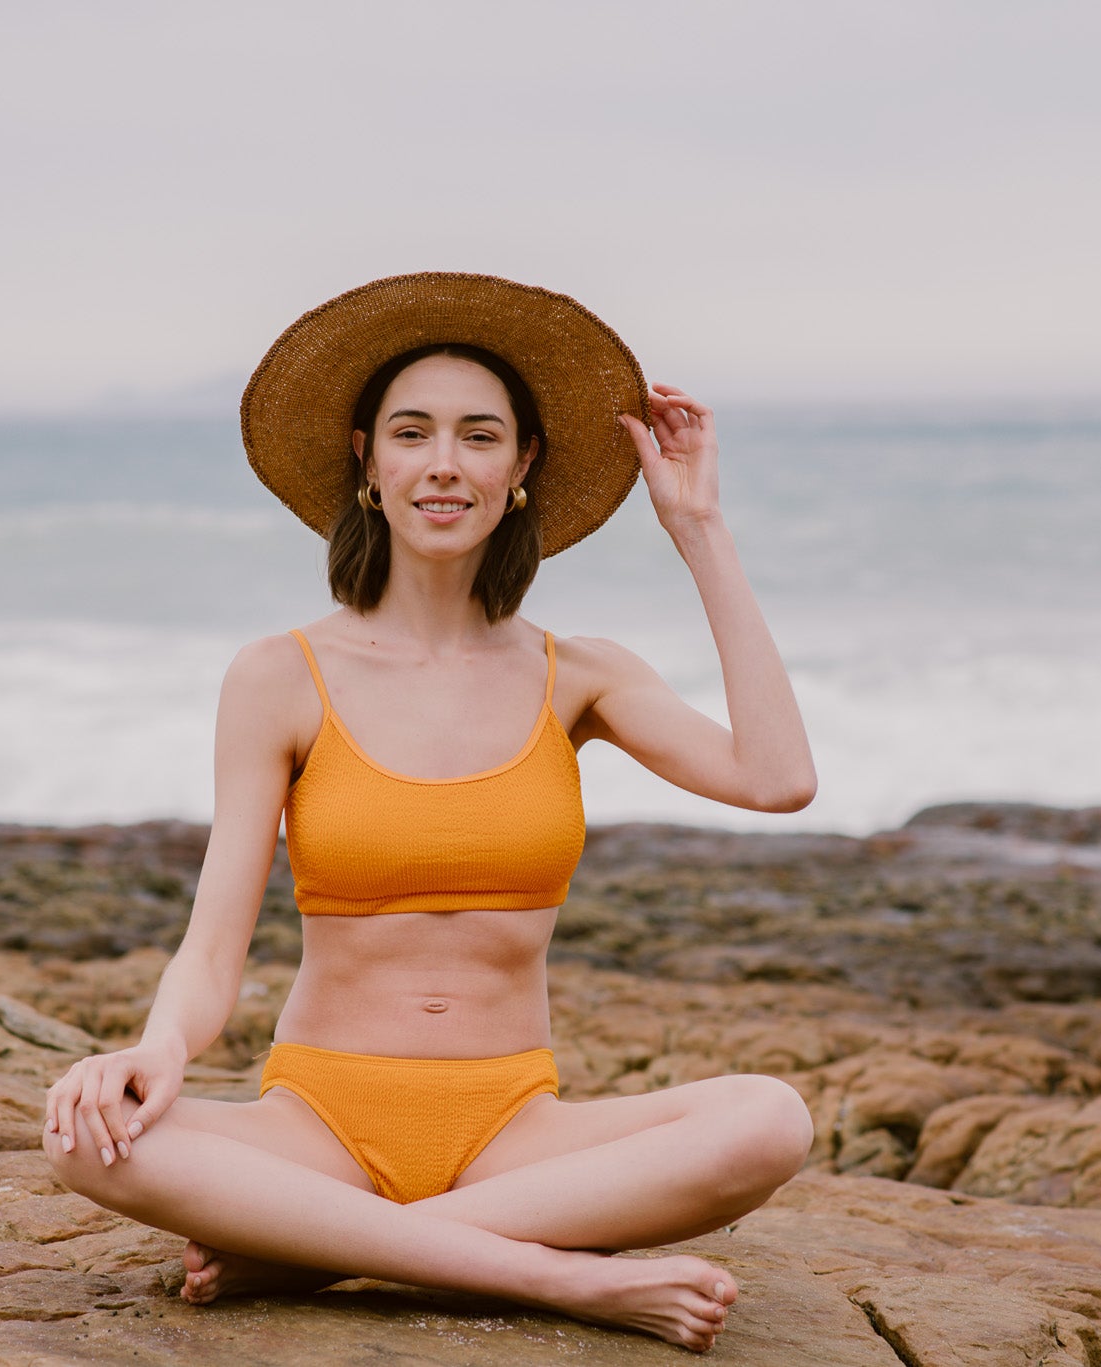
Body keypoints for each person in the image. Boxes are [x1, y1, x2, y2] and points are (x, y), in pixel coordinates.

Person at [43, 273, 818, 1353]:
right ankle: (557, 1278)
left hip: (517, 1133)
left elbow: (777, 777)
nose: (444, 462)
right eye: (412, 433)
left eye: (478, 435)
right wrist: (158, 1045)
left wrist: (698, 526)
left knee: (771, 1118)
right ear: (368, 460)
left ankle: (327, 1248)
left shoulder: (579, 674)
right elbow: (214, 940)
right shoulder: (281, 674)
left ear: (521, 467)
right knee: (83, 1136)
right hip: (313, 1126)